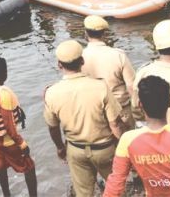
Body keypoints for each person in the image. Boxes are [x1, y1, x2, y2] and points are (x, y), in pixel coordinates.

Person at [43, 40, 125, 197]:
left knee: (83, 193)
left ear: (59, 65)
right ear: (82, 61)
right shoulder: (100, 86)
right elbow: (115, 123)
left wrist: (60, 148)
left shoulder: (51, 93)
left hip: (75, 150)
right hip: (105, 149)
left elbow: (52, 127)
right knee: (117, 189)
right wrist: (122, 147)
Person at [0, 58, 37, 197]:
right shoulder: (3, 96)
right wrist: (22, 143)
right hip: (8, 141)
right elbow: (10, 128)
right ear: (4, 73)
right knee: (29, 166)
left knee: (1, 165)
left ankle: (6, 194)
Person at [81, 15, 136, 128]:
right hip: (121, 111)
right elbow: (131, 86)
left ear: (85, 33)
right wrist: (139, 113)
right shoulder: (118, 55)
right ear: (105, 34)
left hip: (95, 113)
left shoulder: (80, 57)